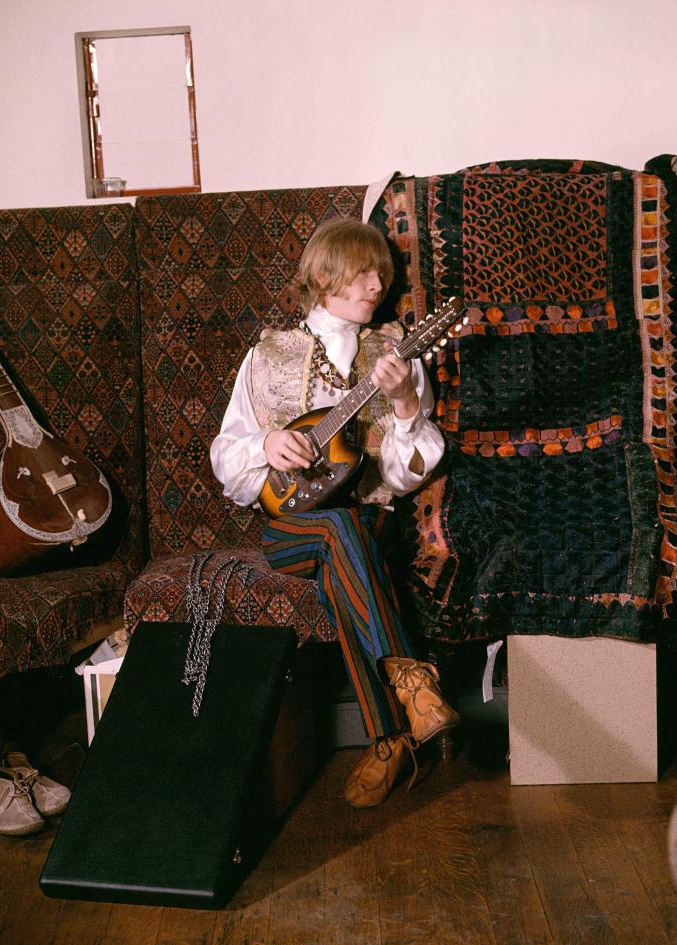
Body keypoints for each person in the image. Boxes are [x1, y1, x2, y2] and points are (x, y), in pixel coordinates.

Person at [210, 217, 460, 808]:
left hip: (369, 521)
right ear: (325, 276)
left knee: (346, 536)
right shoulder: (266, 355)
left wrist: (403, 405)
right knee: (336, 535)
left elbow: (405, 475)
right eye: (364, 272)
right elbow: (226, 457)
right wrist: (266, 447)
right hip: (289, 528)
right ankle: (414, 687)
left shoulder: (397, 352)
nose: (379, 284)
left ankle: (389, 737)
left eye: (383, 273)